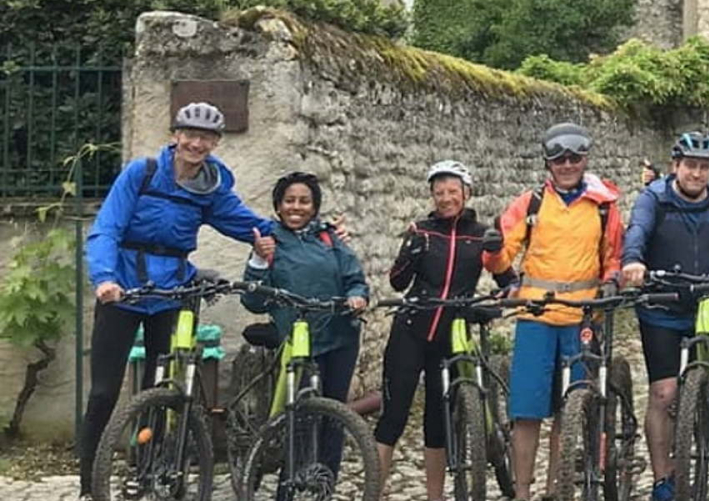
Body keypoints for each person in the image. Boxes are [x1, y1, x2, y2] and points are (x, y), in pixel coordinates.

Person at [79, 102, 277, 497]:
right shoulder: (144, 173)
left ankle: (149, 471)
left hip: (171, 292)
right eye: (190, 134)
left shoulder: (210, 186)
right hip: (123, 289)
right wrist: (103, 278)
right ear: (176, 136)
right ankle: (89, 482)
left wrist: (311, 230)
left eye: (205, 137)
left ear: (215, 143)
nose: (196, 143)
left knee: (159, 386)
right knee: (103, 390)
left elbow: (247, 223)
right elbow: (107, 227)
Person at [486, 124, 624, 501]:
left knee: (569, 409)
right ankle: (523, 492)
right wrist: (492, 250)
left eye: (574, 158)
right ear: (548, 163)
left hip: (581, 317)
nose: (567, 165)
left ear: (585, 160)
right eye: (559, 159)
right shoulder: (529, 203)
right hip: (536, 317)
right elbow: (501, 255)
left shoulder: (603, 206)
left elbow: (613, 256)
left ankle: (556, 488)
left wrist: (612, 280)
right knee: (527, 411)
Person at [620, 132, 709, 501]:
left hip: (706, 303)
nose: (697, 173)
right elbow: (638, 231)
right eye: (690, 165)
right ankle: (664, 478)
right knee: (663, 394)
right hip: (661, 306)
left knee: (705, 381)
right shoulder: (654, 199)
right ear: (676, 165)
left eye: (704, 167)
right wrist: (633, 260)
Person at [375, 160, 511, 501]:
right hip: (411, 329)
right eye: (439, 192)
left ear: (467, 193)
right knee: (394, 416)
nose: (446, 198)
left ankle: (434, 497)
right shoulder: (421, 230)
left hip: (450, 336)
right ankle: (371, 493)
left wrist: (498, 273)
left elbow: (508, 282)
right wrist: (410, 252)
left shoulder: (481, 234)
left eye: (453, 191)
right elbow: (397, 281)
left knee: (437, 423)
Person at [241, 172, 370, 476]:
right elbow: (254, 301)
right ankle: (292, 482)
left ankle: (324, 481)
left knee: (334, 414)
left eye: (304, 201)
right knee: (300, 414)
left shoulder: (329, 238)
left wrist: (356, 297)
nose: (296, 207)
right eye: (289, 201)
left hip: (340, 336)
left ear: (314, 207)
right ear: (278, 205)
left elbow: (355, 279)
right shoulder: (268, 242)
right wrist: (259, 262)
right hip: (299, 340)